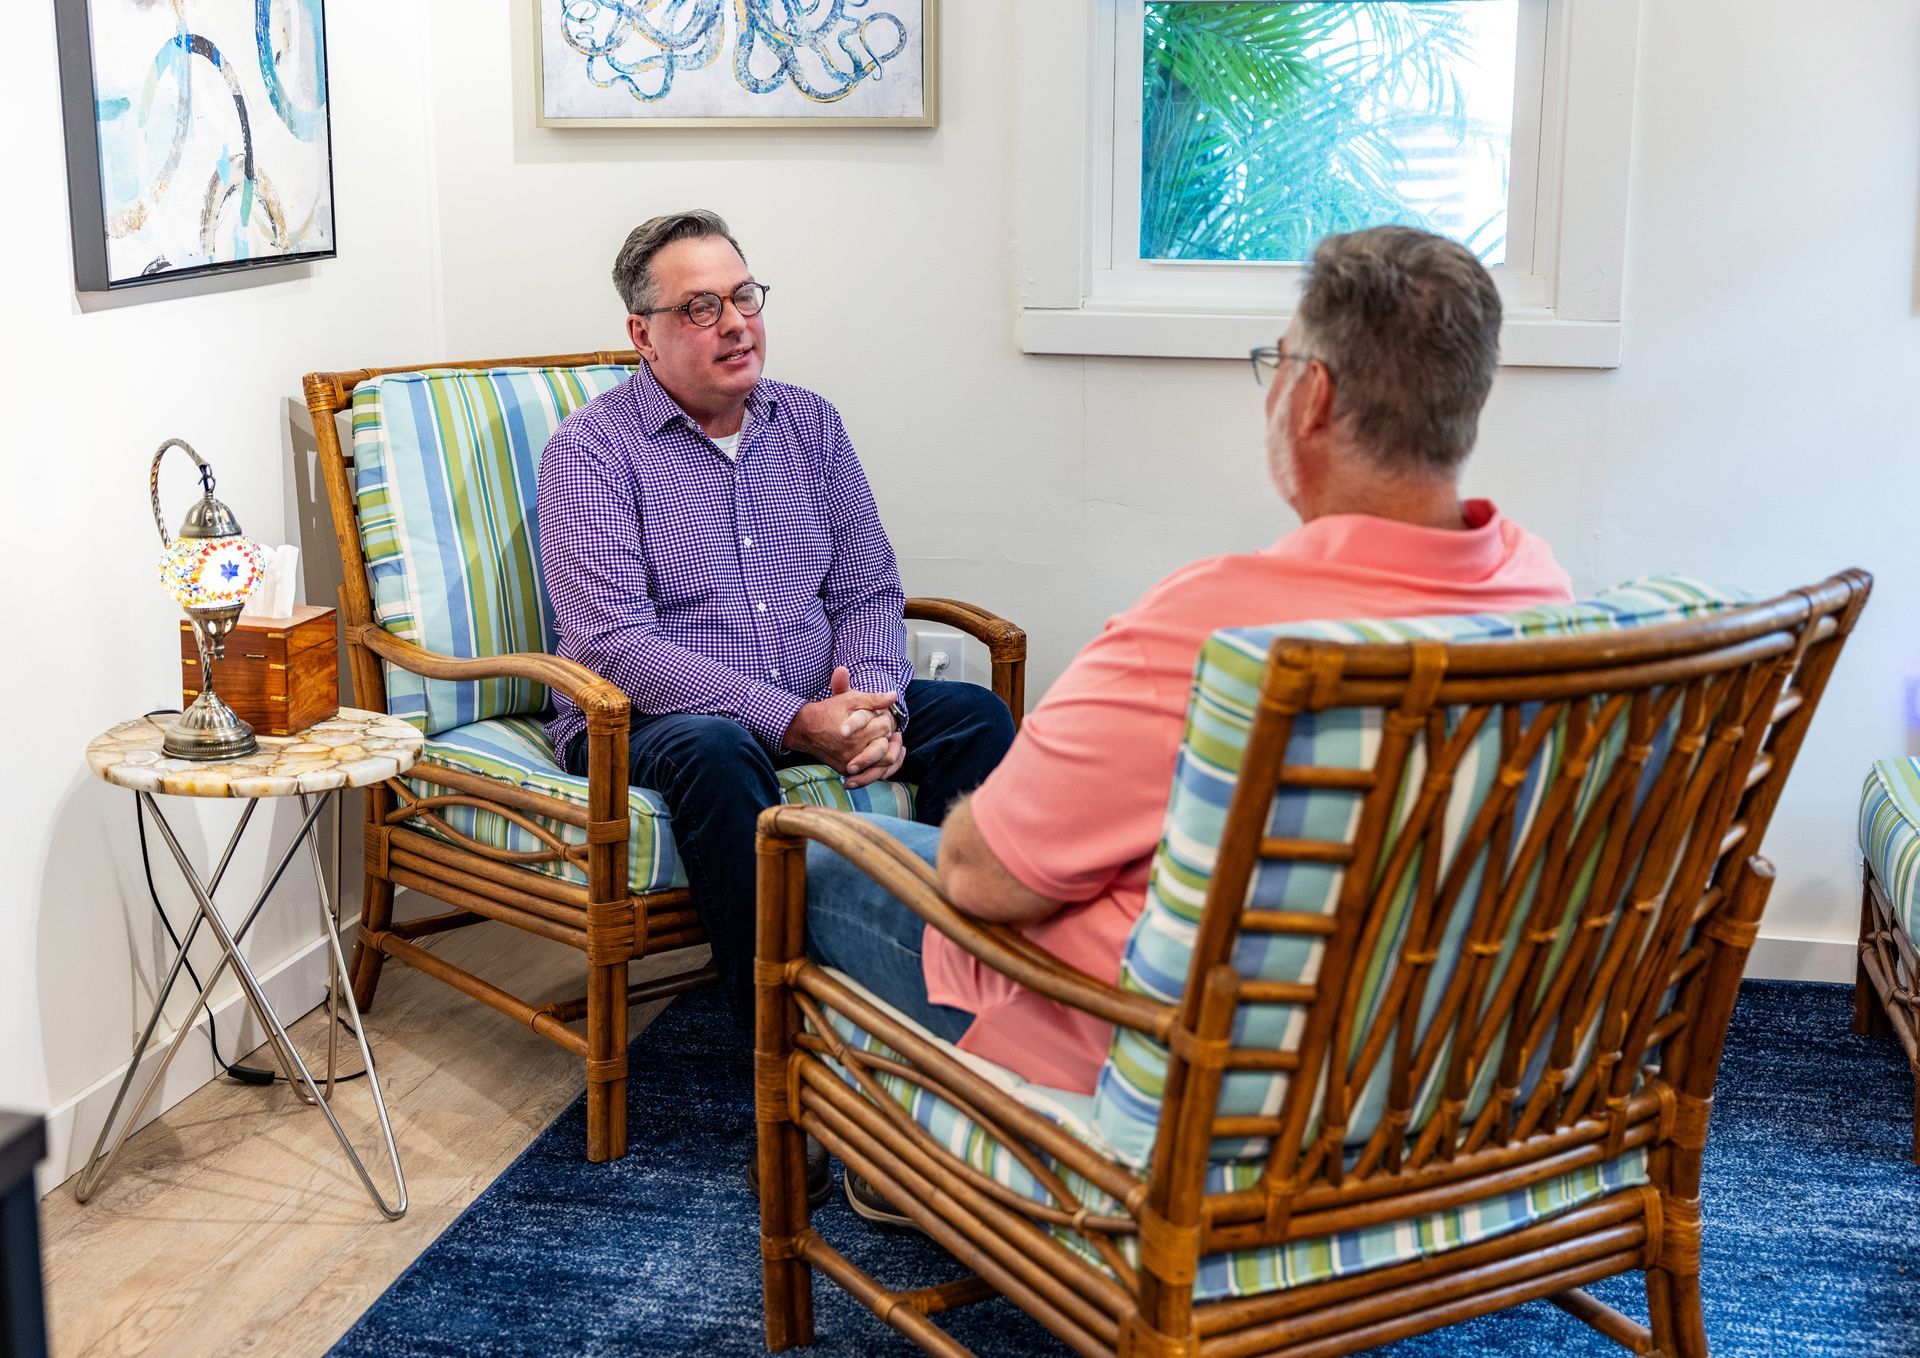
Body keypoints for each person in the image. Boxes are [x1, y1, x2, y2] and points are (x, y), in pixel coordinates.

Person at [799, 225, 1578, 1226]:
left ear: (1316, 398)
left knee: (823, 858)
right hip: (1421, 1066)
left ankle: (925, 1149)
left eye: (1278, 363)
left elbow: (984, 878)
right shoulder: (1541, 595)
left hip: (1175, 1079)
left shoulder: (1213, 627)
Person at [536, 208, 1017, 1055]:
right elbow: (616, 644)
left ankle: (951, 988)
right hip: (646, 725)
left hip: (811, 705)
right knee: (719, 750)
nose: (735, 324)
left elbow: (869, 586)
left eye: (744, 296)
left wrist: (875, 707)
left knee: (976, 716)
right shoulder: (592, 451)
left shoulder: (810, 424)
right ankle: (784, 1048)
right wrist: (794, 722)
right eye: (700, 307)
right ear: (642, 335)